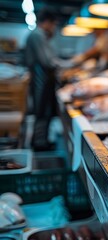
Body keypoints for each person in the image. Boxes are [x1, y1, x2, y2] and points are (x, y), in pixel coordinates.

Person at [24, 8, 71, 151]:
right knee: (42, 111)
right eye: (53, 24)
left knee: (44, 111)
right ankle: (39, 143)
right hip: (41, 80)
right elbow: (48, 61)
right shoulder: (38, 35)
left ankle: (41, 140)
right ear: (47, 22)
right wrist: (70, 63)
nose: (54, 28)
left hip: (43, 80)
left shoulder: (39, 35)